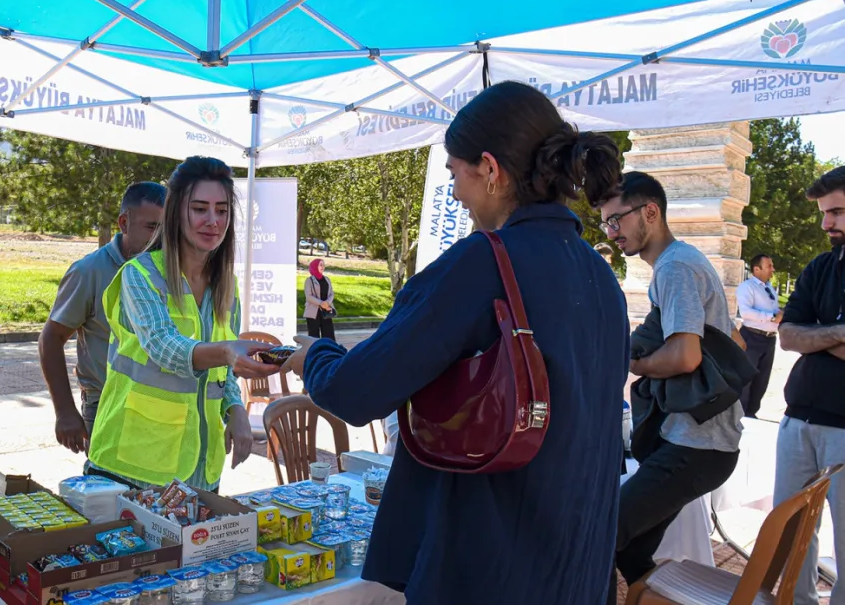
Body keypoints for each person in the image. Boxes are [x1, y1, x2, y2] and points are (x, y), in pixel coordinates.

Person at [286, 80, 629, 604]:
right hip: (576, 564)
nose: (457, 194)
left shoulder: (482, 262)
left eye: (456, 173)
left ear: (490, 170)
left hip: (490, 560)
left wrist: (316, 355)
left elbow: (356, 391)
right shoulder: (601, 276)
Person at [86, 156, 280, 492]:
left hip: (200, 471)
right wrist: (227, 353)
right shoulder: (141, 274)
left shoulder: (226, 285)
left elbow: (223, 371)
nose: (212, 221)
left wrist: (234, 408)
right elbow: (164, 347)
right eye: (200, 208)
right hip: (132, 467)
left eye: (222, 211)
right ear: (177, 213)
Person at [596, 171, 744, 601]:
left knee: (599, 535)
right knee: (631, 551)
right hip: (703, 443)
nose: (611, 231)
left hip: (696, 445)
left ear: (651, 212)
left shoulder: (675, 266)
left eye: (616, 220)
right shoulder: (684, 261)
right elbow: (732, 340)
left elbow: (685, 356)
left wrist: (635, 361)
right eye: (606, 223)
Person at [40, 182, 165, 456]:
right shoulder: (90, 271)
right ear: (123, 222)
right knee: (108, 496)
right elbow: (51, 339)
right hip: (107, 408)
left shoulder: (167, 269)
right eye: (152, 227)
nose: (160, 239)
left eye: (167, 230)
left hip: (160, 410)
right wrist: (65, 412)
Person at [774, 166, 845, 605]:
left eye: (836, 212)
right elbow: (786, 336)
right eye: (824, 213)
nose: (826, 224)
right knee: (790, 535)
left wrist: (818, 333)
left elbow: (803, 334)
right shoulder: (820, 266)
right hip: (797, 419)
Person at [736, 253, 782, 418]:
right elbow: (746, 312)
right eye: (769, 266)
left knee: (762, 378)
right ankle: (740, 413)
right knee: (746, 377)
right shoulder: (746, 287)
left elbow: (774, 310)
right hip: (751, 336)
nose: (773, 269)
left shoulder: (769, 288)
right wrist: (771, 317)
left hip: (769, 339)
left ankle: (751, 412)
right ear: (756, 269)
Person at [303, 258, 336, 340]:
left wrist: (327, 303)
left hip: (326, 310)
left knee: (329, 334)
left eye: (323, 265)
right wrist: (321, 303)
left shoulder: (327, 279)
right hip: (313, 311)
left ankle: (329, 351)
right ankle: (315, 352)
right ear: (315, 266)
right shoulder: (309, 280)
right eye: (320, 265)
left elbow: (331, 293)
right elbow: (308, 296)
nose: (323, 267)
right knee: (314, 336)